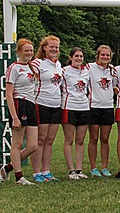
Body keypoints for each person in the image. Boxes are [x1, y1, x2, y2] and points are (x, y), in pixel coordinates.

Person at [1, 38, 38, 185]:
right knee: (17, 144)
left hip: (31, 105)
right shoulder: (14, 68)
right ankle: (19, 176)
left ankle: (7, 168)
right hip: (19, 103)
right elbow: (8, 94)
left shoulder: (32, 67)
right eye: (26, 50)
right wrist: (15, 117)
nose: (29, 53)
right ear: (19, 51)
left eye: (31, 50)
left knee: (33, 145)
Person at [30, 35, 62, 182]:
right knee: (40, 139)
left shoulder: (58, 64)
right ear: (44, 47)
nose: (54, 49)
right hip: (42, 103)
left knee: (50, 140)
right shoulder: (38, 63)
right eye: (51, 47)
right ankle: (36, 172)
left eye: (56, 47)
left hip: (56, 105)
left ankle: (46, 170)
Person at [87, 45, 116, 177]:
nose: (105, 57)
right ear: (97, 55)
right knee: (93, 138)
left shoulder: (112, 71)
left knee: (105, 139)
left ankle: (104, 167)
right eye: (102, 55)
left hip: (108, 106)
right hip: (94, 106)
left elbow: (116, 86)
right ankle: (93, 168)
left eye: (107, 55)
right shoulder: (89, 68)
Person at [61, 47, 89, 180]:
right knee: (69, 139)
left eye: (81, 56)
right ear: (71, 57)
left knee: (80, 140)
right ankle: (71, 170)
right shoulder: (64, 71)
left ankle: (79, 170)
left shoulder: (86, 71)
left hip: (84, 107)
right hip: (69, 107)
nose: (79, 59)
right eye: (76, 56)